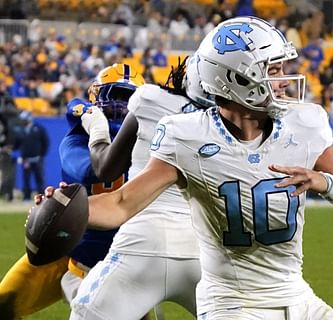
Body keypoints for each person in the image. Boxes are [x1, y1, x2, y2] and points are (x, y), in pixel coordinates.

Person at [43, 17, 333, 320]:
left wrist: (324, 182)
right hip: (233, 304)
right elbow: (122, 204)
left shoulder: (305, 125)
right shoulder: (188, 135)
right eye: (274, 70)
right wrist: (64, 205)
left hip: (298, 296)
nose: (285, 80)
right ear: (238, 78)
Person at [70, 56, 214, 319]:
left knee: (86, 313)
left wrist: (99, 132)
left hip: (140, 243)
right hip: (205, 251)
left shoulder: (150, 100)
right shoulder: (230, 124)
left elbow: (105, 169)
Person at [0, 63, 144, 319]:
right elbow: (94, 170)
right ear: (97, 97)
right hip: (69, 243)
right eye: (116, 96)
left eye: (129, 98)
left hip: (124, 258)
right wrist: (55, 203)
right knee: (3, 303)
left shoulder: (153, 146)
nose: (121, 106)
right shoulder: (77, 139)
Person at [15, 110, 50, 200]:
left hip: (37, 158)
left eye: (24, 119)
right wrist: (22, 156)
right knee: (26, 179)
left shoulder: (38, 128)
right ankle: (26, 196)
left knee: (39, 178)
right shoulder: (21, 130)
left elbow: (45, 142)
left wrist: (42, 154)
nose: (22, 121)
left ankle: (41, 196)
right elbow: (19, 144)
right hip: (26, 159)